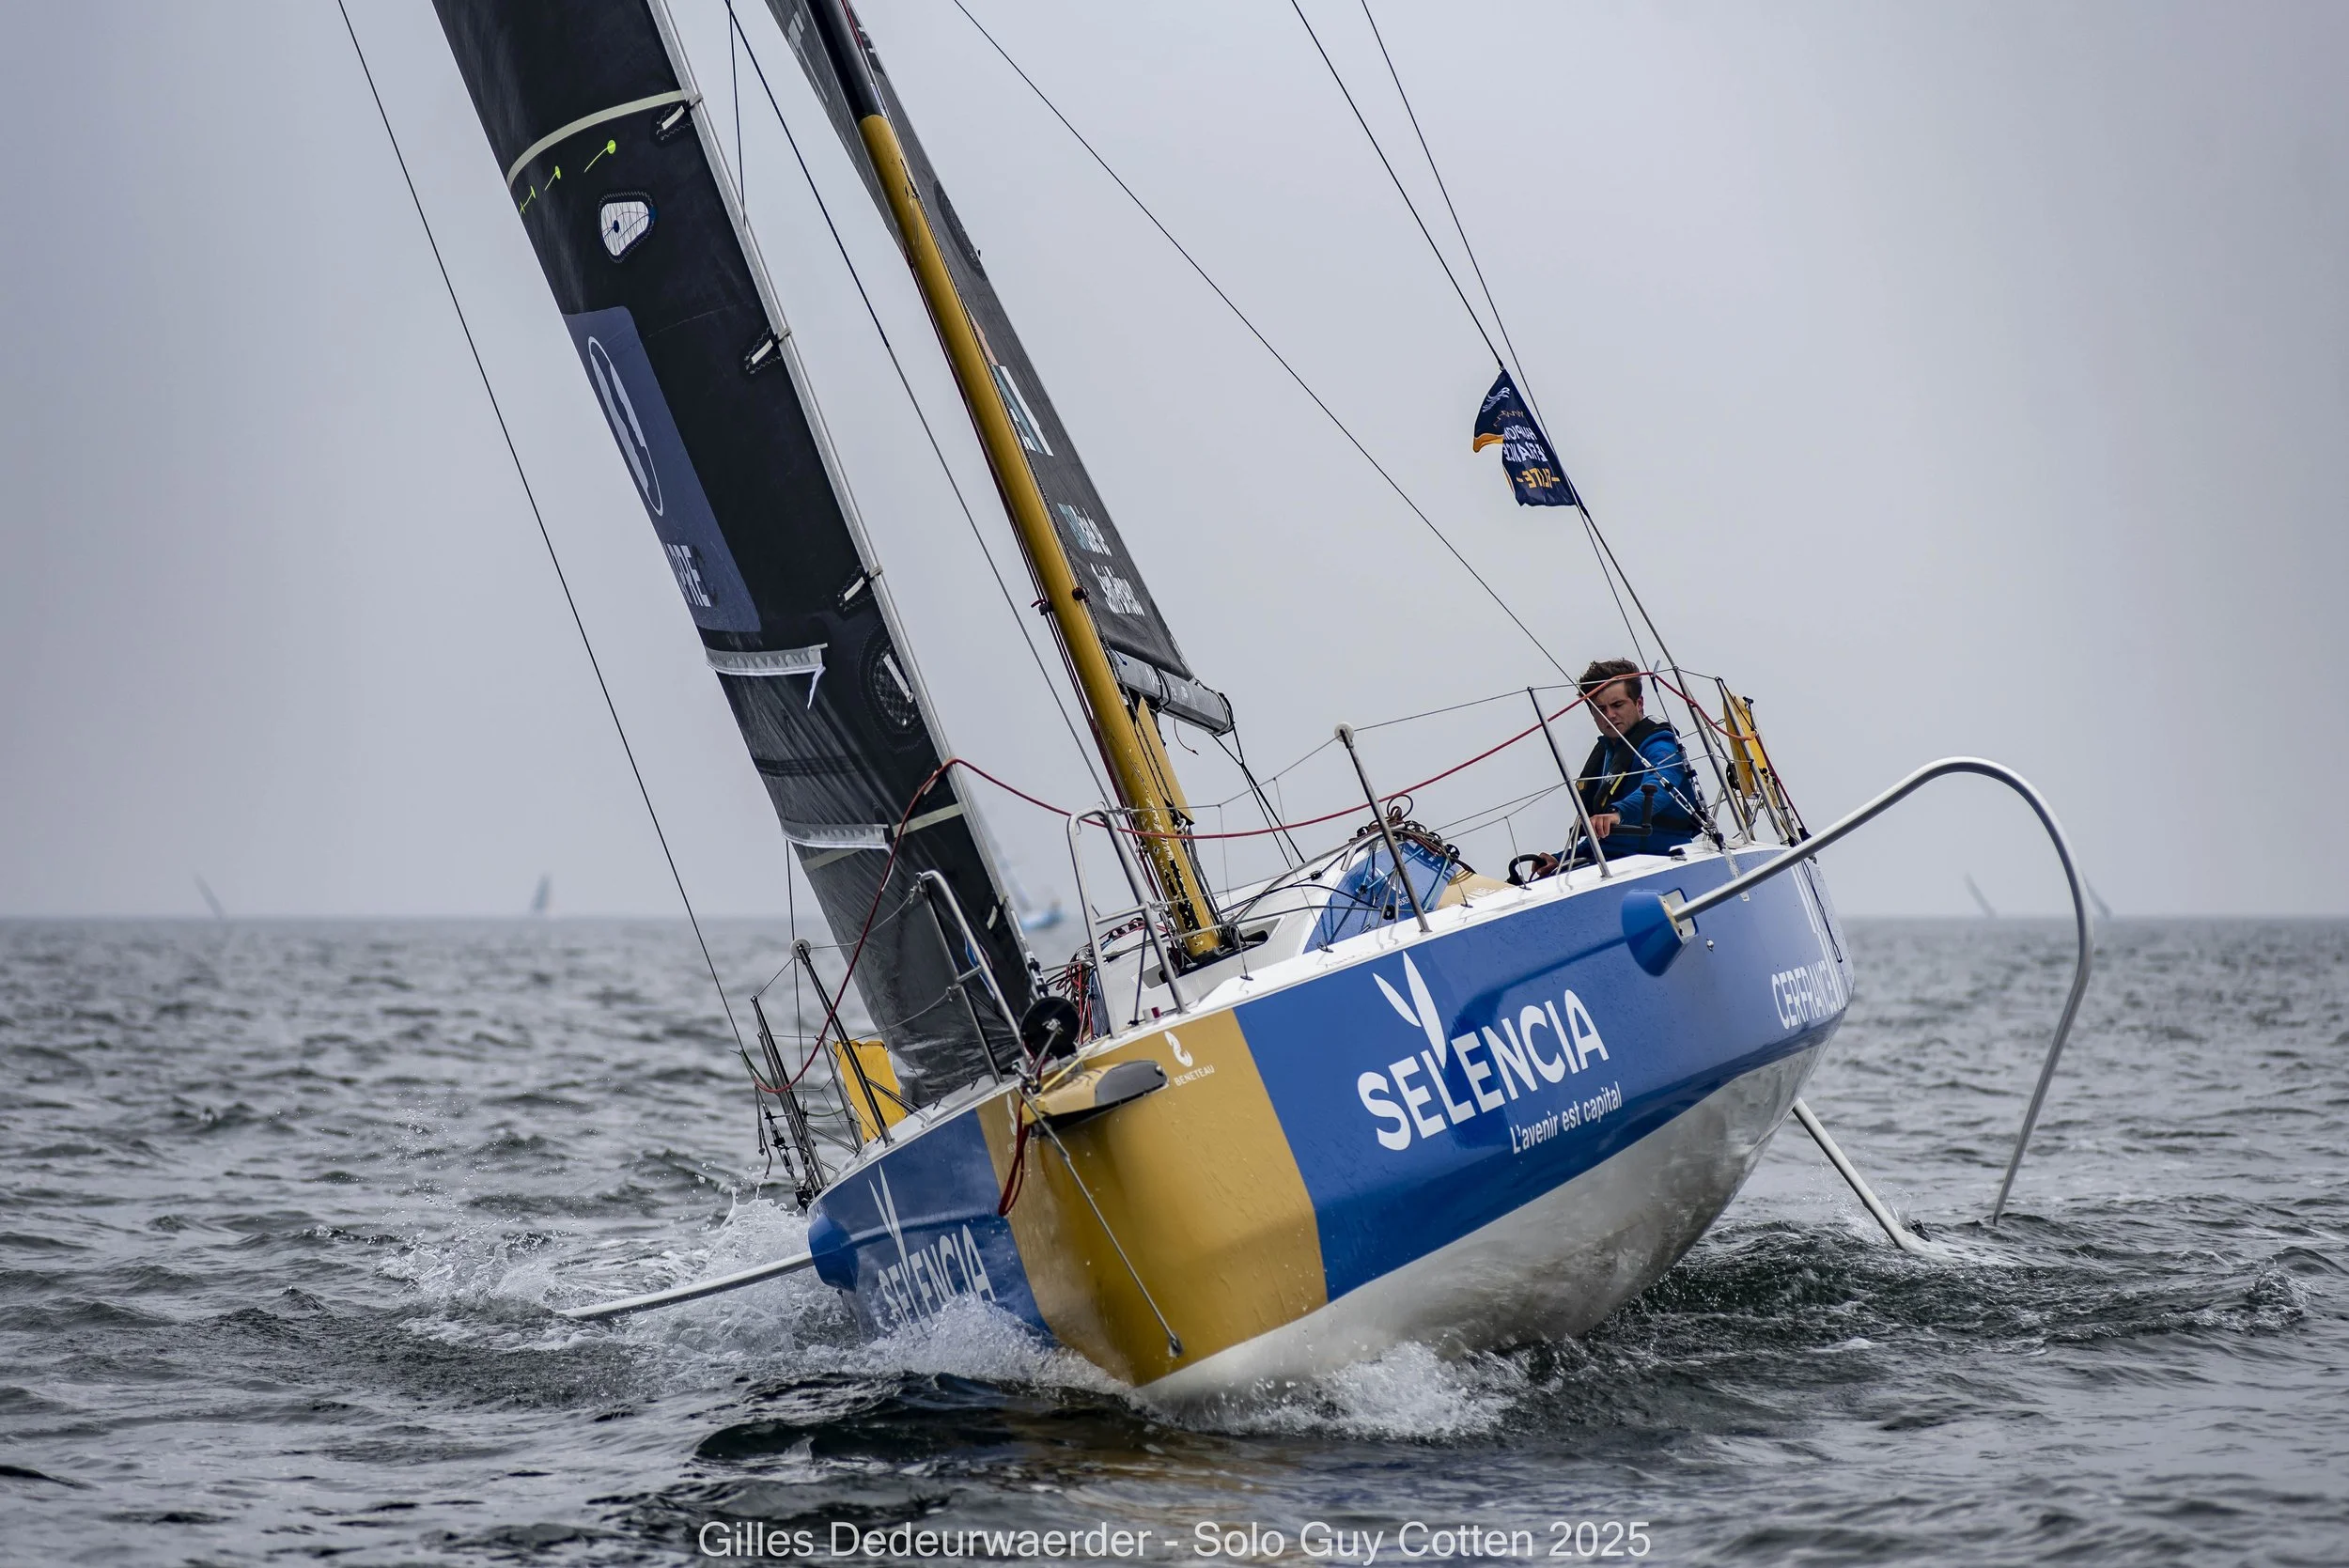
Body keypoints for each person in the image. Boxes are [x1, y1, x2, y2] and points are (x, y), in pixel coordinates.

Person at [1570, 659, 1704, 861]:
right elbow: (1605, 838)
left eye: (1617, 705)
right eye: (1600, 710)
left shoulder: (1660, 744)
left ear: (1639, 703)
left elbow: (1662, 781)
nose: (1610, 715)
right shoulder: (1607, 752)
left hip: (1660, 858)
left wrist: (1619, 814)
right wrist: (1560, 858)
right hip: (1611, 862)